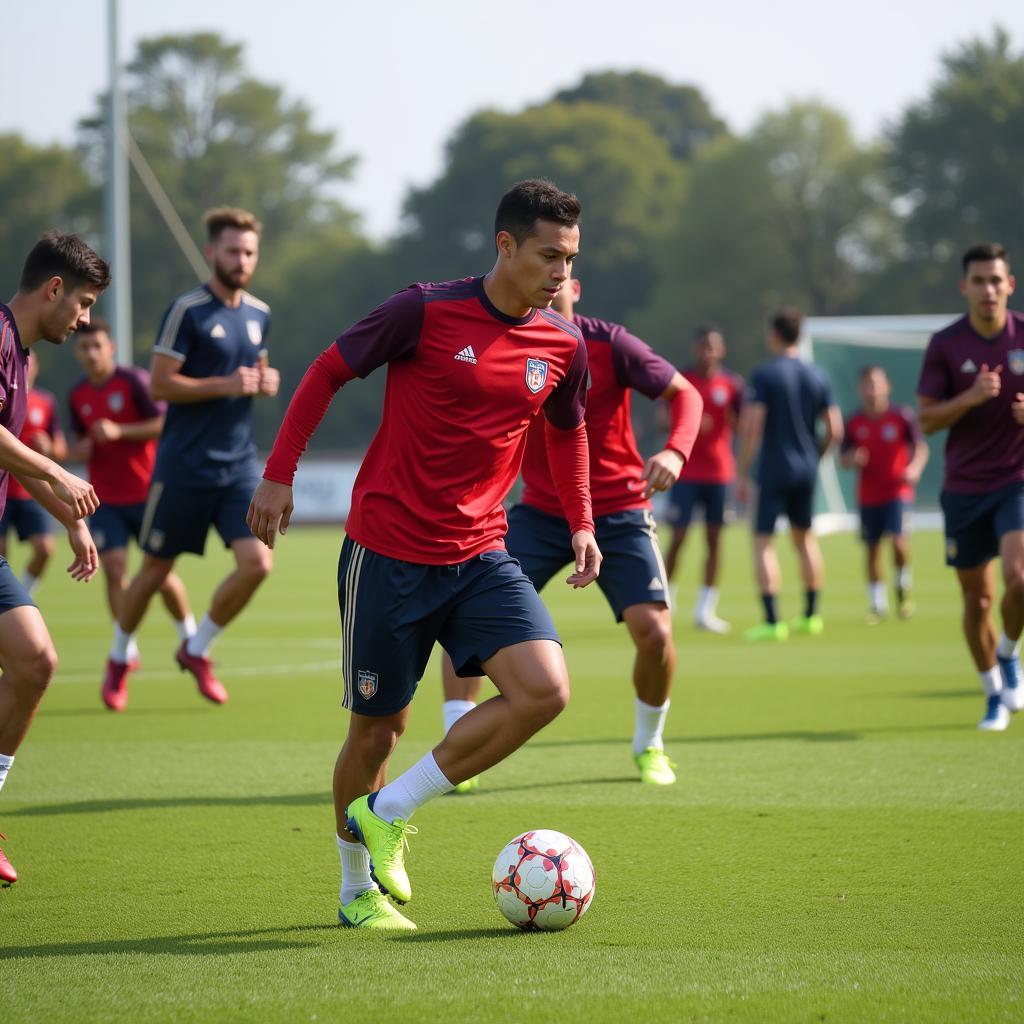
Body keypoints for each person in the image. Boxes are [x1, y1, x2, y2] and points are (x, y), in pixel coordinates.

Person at [248, 180, 602, 931]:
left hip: (481, 552)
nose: (561, 273)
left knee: (545, 690)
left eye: (570, 258)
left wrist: (581, 518)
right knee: (377, 731)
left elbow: (568, 432)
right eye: (548, 255)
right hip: (387, 553)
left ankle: (390, 810)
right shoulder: (424, 309)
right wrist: (280, 473)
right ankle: (356, 890)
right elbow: (326, 371)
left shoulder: (564, 345)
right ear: (504, 245)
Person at [438, 275, 702, 792]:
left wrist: (676, 450)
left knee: (655, 633)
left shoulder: (611, 343)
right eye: (542, 273)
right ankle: (457, 744)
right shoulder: (508, 340)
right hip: (540, 510)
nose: (550, 286)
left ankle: (649, 743)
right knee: (467, 611)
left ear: (577, 288)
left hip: (620, 510)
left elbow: (683, 393)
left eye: (561, 278)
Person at [101, 208, 278, 708]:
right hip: (182, 465)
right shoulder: (188, 311)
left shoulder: (260, 313)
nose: (240, 260)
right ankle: (119, 656)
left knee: (258, 565)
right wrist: (225, 383)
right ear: (211, 253)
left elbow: (255, 369)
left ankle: (196, 649)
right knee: (154, 570)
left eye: (248, 252)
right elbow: (159, 384)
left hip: (237, 466)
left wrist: (265, 381)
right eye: (231, 251)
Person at [0, 232, 105, 884]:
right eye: (86, 303)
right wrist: (58, 473)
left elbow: (9, 450)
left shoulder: (23, 356)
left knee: (36, 660)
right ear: (55, 289)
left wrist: (69, 516)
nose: (87, 319)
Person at [917, 241, 1024, 732]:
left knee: (1019, 578)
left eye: (995, 280)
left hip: (1016, 480)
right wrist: (970, 398)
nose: (988, 289)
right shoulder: (945, 343)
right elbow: (927, 419)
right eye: (978, 281)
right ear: (965, 287)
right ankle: (993, 694)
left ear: (1010, 285)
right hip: (963, 489)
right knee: (976, 600)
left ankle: (1007, 651)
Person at [68, 318, 196, 710]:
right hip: (104, 500)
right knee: (114, 568)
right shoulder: (77, 396)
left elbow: (164, 423)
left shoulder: (134, 381)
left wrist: (121, 432)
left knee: (160, 574)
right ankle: (127, 649)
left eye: (97, 347)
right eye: (84, 348)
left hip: (147, 495)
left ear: (111, 348)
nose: (91, 354)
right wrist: (62, 450)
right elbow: (83, 447)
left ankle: (189, 637)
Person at [737, 308, 842, 641]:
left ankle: (772, 622)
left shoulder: (765, 375)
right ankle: (811, 616)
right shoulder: (817, 375)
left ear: (775, 335)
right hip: (806, 469)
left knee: (763, 543)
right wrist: (815, 456)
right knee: (805, 539)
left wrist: (742, 470)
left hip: (774, 467)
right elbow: (835, 430)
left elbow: (754, 427)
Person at [663, 325, 743, 632]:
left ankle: (705, 611)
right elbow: (661, 417)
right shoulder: (681, 381)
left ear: (721, 350)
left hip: (720, 474)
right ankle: (665, 603)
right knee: (678, 537)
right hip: (684, 472)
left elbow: (742, 422)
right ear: (695, 349)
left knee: (714, 540)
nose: (707, 352)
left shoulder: (733, 384)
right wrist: (687, 420)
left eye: (713, 347)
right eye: (702, 346)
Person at [840, 365, 929, 623]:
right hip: (868, 495)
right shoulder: (855, 421)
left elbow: (920, 447)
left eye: (876, 383)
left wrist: (913, 468)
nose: (872, 389)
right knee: (872, 550)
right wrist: (852, 458)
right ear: (859, 389)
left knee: (899, 543)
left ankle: (903, 585)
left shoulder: (901, 416)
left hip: (897, 492)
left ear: (887, 386)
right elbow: (843, 457)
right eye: (867, 384)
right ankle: (877, 605)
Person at [0, 351, 68, 595]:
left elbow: (61, 448)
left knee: (45, 548)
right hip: (4, 486)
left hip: (31, 489)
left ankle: (24, 594)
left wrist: (50, 447)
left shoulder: (45, 401)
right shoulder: (6, 396)